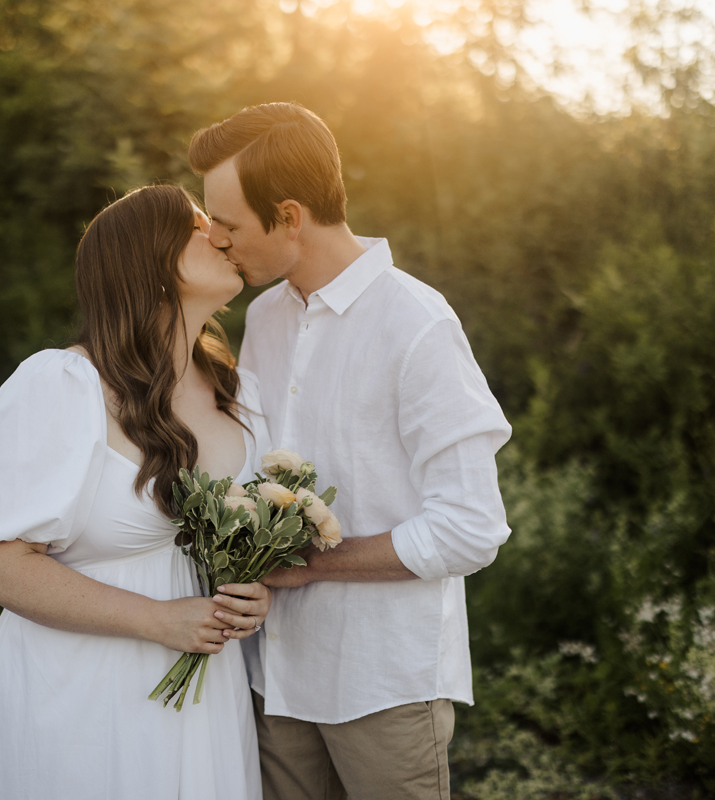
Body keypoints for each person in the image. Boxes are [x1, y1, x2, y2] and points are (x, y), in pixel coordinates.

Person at [190, 103, 512, 800]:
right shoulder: (267, 318)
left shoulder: (418, 325)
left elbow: (470, 527)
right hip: (273, 672)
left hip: (382, 683)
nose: (217, 240)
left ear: (290, 216)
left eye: (230, 224)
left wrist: (315, 566)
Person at [0, 184, 273, 800]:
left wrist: (251, 591)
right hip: (83, 687)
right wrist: (157, 620)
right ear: (147, 260)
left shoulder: (240, 391)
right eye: (199, 225)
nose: (222, 235)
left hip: (206, 684)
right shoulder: (62, 384)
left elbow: (239, 532)